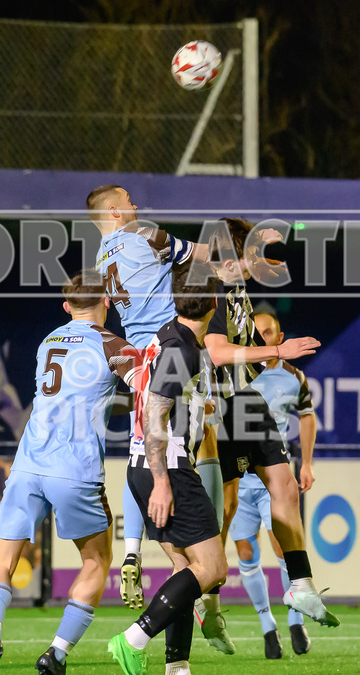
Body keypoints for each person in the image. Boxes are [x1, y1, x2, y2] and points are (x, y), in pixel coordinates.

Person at [0, 271, 142, 675]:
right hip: (75, 470)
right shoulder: (114, 345)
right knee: (97, 560)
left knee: (0, 562)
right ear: (107, 301)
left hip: (28, 465)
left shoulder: (49, 341)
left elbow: (74, 395)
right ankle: (57, 653)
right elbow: (147, 389)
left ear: (66, 306)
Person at [88, 184, 224, 612]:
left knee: (143, 449)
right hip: (173, 345)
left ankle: (132, 550)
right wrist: (241, 252)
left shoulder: (100, 258)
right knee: (200, 442)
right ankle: (203, 554)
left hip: (140, 359)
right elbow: (204, 254)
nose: (136, 205)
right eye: (128, 200)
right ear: (114, 211)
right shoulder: (143, 234)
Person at [202, 217, 339, 629]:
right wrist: (278, 350)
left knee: (286, 485)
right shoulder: (211, 289)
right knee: (223, 508)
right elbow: (217, 353)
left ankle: (300, 585)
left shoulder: (236, 286)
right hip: (216, 407)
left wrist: (259, 245)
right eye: (253, 253)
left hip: (245, 400)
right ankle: (207, 596)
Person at [108, 265, 228, 675]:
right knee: (212, 569)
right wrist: (162, 482)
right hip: (168, 468)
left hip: (145, 465)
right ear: (214, 303)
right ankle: (132, 640)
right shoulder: (182, 348)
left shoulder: (168, 336)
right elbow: (154, 412)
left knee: (185, 569)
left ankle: (177, 667)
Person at [229, 311, 317, 659]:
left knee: (282, 549)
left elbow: (306, 416)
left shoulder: (293, 376)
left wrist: (306, 463)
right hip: (239, 479)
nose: (262, 338)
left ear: (279, 338)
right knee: (246, 554)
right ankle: (268, 627)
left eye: (268, 333)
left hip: (273, 480)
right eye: (257, 332)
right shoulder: (236, 372)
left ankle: (295, 619)